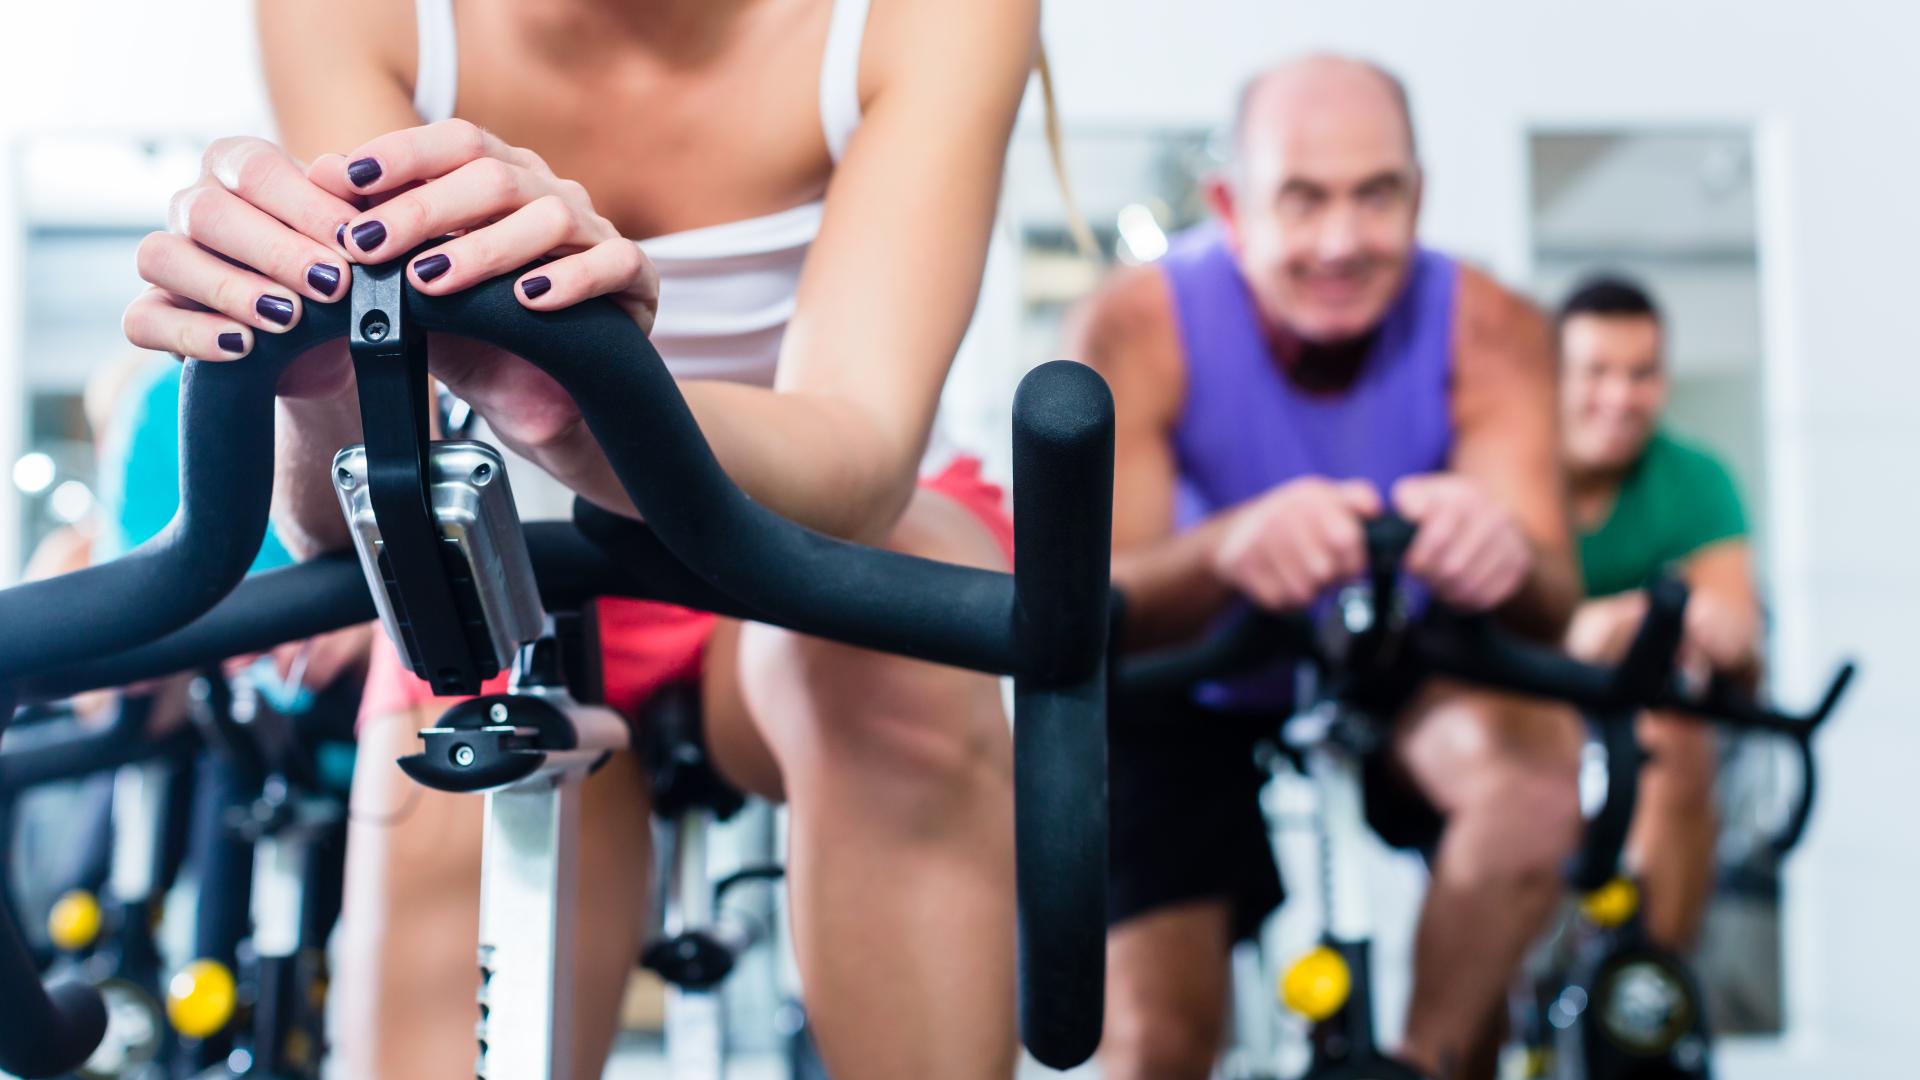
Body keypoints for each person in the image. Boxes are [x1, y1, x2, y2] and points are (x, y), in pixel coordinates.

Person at [119, 0, 1038, 1077]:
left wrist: (589, 396)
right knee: (456, 716)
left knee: (899, 659)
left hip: (814, 538)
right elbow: (349, 513)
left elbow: (860, 450)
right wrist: (324, 379)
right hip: (514, 558)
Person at [1072, 55, 1583, 1079]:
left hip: (1399, 650)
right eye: (1301, 201)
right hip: (1188, 669)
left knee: (1531, 793)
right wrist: (1229, 546)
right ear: (1231, 206)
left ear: (1419, 197)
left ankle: (1424, 1065)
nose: (1342, 242)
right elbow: (1094, 606)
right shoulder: (1133, 326)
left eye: (1375, 196)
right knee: (1154, 1043)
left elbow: (1551, 599)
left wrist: (1500, 550)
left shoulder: (1494, 326)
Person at [1556, 275, 1760, 950]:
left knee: (1674, 735)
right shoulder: (1515, 471)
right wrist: (1582, 632)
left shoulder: (1697, 479)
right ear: (1553, 376)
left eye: (1642, 373)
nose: (1620, 396)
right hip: (1530, 722)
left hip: (1643, 726)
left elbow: (1736, 625)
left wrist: (1720, 631)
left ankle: (1651, 987)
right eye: (1597, 372)